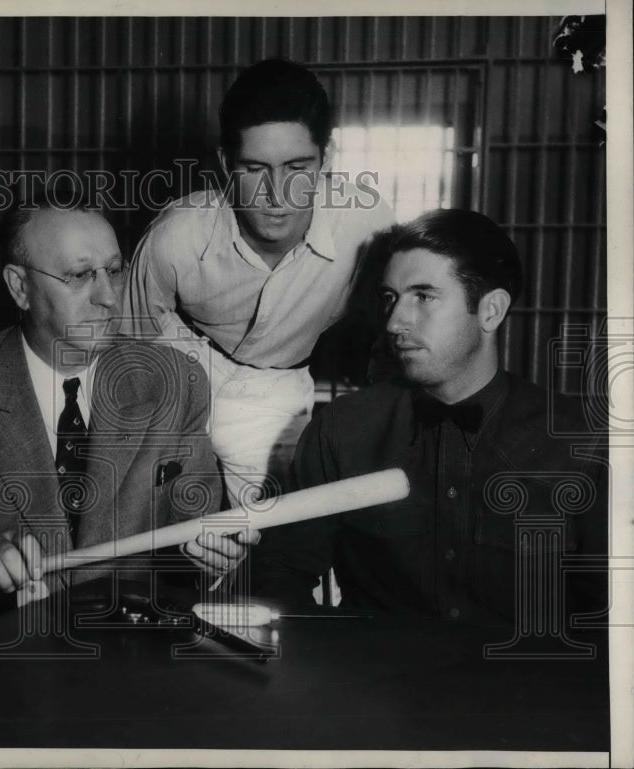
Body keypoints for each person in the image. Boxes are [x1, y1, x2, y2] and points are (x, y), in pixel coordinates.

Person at [0, 194, 255, 610]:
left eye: (115, 271)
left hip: (132, 650)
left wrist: (210, 560)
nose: (108, 297)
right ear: (20, 287)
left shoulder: (175, 381)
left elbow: (193, 540)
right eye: (80, 275)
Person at [252, 209, 607, 625]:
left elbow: (610, 621)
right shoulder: (342, 430)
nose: (396, 321)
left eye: (424, 296)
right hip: (370, 685)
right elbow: (277, 577)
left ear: (491, 311)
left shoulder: (578, 439)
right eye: (391, 298)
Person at [122, 57, 395, 509]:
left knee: (275, 548)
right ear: (225, 163)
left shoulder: (369, 227)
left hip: (275, 392)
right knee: (144, 533)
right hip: (177, 366)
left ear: (327, 159)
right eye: (254, 168)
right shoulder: (177, 235)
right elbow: (128, 341)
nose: (277, 193)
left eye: (297, 166)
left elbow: (399, 327)